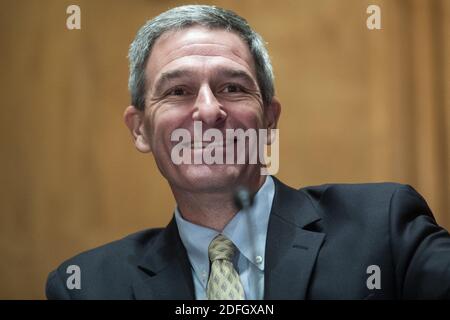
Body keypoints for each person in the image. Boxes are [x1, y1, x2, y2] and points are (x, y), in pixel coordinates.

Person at [46, 5, 450, 300]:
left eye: (233, 88)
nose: (207, 110)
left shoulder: (384, 228)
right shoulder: (88, 285)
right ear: (141, 130)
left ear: (269, 119)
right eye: (178, 91)